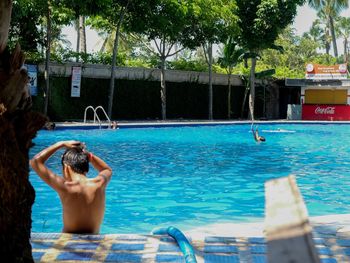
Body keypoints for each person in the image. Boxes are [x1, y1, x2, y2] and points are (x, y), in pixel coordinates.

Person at [30, 141, 112, 234]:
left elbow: (35, 162)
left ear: (66, 167)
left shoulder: (66, 187)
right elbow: (106, 169)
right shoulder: (99, 183)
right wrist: (87, 154)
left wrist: (60, 144)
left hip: (68, 241)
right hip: (95, 240)